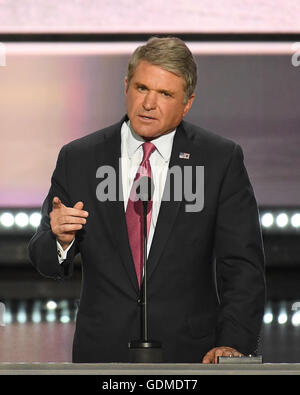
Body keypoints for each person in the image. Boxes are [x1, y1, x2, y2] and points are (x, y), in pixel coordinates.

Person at [28, 36, 266, 364]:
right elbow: (44, 258)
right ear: (126, 86)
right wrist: (59, 239)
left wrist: (233, 345)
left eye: (165, 94)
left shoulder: (219, 160)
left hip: (192, 357)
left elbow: (242, 266)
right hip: (102, 356)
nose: (149, 104)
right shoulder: (79, 158)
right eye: (141, 88)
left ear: (187, 103)